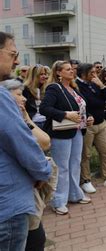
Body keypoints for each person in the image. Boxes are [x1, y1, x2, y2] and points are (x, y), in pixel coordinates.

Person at [0, 32, 51, 250]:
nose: (18, 60)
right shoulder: (2, 97)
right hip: (7, 204)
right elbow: (19, 139)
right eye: (13, 53)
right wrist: (42, 172)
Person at [40, 60, 93, 215]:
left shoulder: (74, 88)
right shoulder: (54, 88)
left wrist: (88, 117)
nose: (72, 71)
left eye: (72, 69)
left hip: (77, 130)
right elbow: (44, 108)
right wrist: (65, 114)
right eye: (68, 69)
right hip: (61, 132)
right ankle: (58, 201)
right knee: (62, 167)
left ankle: (75, 194)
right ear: (58, 72)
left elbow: (82, 108)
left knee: (75, 164)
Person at [77, 64, 106, 193]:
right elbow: (84, 103)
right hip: (88, 125)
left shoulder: (95, 84)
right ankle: (86, 180)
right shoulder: (77, 85)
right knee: (85, 154)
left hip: (101, 122)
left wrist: (101, 86)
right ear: (83, 74)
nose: (95, 74)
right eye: (92, 72)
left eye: (95, 72)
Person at [23, 64, 49, 128]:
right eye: (41, 74)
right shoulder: (25, 89)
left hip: (46, 122)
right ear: (33, 76)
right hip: (33, 123)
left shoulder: (46, 89)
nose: (44, 76)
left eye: (44, 74)